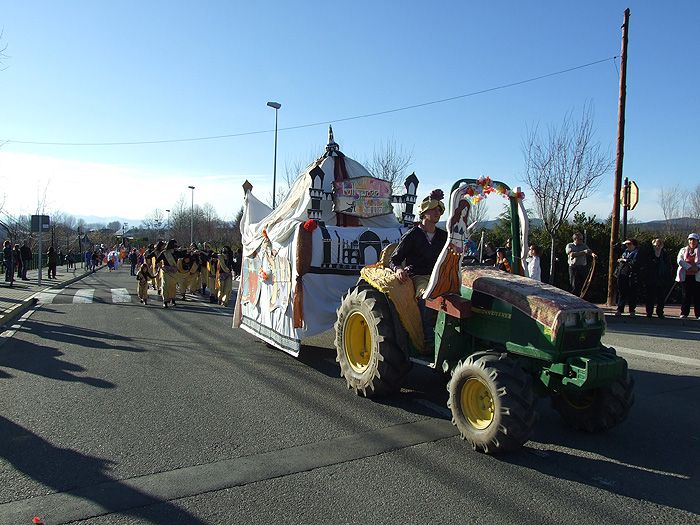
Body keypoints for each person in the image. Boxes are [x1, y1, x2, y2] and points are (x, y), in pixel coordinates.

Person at [390, 189, 447, 351]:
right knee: (427, 295)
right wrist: (398, 269)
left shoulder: (444, 236)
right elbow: (394, 259)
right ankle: (428, 340)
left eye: (440, 210)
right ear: (424, 212)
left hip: (440, 277)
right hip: (420, 276)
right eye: (434, 209)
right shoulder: (412, 235)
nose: (438, 212)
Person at [644, 238, 670, 318]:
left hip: (661, 279)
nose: (658, 247)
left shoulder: (665, 254)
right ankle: (649, 313)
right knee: (650, 297)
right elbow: (646, 266)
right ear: (653, 245)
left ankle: (660, 312)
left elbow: (668, 266)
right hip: (651, 279)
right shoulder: (649, 254)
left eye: (659, 245)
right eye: (656, 245)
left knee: (661, 298)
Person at [676, 232, 700, 319]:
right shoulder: (683, 250)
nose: (692, 242)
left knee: (697, 295)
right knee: (686, 295)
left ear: (697, 241)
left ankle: (698, 314)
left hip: (697, 277)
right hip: (685, 276)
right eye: (690, 240)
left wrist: (697, 268)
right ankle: (684, 313)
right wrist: (689, 267)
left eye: (694, 240)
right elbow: (680, 260)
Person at [615, 239, 640, 316]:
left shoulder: (637, 253)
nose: (627, 246)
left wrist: (625, 260)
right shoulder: (625, 252)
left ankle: (632, 310)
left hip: (632, 275)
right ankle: (620, 309)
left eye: (629, 244)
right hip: (622, 273)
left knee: (632, 293)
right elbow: (616, 250)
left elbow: (635, 263)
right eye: (626, 244)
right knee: (622, 292)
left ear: (634, 245)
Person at [157, 239, 179, 308]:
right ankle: (165, 301)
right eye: (175, 245)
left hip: (174, 272)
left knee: (173, 286)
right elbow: (157, 261)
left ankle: (173, 299)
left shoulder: (177, 252)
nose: (176, 246)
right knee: (165, 286)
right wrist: (162, 267)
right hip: (166, 271)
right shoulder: (164, 253)